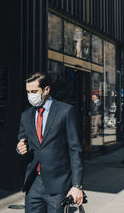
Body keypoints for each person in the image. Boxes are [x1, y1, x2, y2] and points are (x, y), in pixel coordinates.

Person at [17, 72, 83, 213]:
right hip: (34, 183)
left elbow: (75, 150)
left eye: (34, 91)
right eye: (28, 92)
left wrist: (76, 186)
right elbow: (23, 143)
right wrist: (20, 149)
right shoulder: (26, 115)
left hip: (58, 184)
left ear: (46, 90)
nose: (31, 95)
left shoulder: (65, 111)